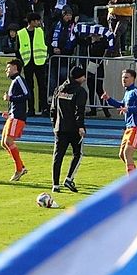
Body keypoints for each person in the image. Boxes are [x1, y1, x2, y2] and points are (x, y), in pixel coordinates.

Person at [49, 65, 88, 193]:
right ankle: (69, 178)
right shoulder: (80, 91)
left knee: (57, 156)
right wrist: (81, 126)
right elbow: (79, 110)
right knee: (78, 154)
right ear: (80, 77)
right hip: (74, 129)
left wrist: (54, 125)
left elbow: (53, 109)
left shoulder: (59, 89)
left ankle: (55, 185)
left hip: (60, 128)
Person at [102, 69, 137, 174]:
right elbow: (121, 105)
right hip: (129, 128)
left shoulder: (135, 91)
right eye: (123, 77)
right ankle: (136, 176)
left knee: (127, 153)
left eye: (126, 77)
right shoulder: (128, 92)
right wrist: (109, 99)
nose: (123, 80)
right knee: (122, 154)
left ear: (133, 78)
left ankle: (133, 182)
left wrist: (129, 109)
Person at [2, 59, 29, 181]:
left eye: (8, 68)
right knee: (4, 143)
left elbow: (27, 95)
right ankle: (21, 166)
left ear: (15, 67)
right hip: (13, 115)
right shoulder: (14, 81)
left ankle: (19, 169)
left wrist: (11, 98)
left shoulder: (19, 80)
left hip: (18, 116)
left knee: (8, 141)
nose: (6, 70)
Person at [17, 12, 49, 116]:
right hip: (27, 63)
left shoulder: (40, 31)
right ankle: (31, 109)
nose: (38, 22)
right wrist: (21, 62)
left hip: (40, 62)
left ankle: (44, 108)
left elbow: (46, 44)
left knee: (42, 86)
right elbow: (18, 49)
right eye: (37, 20)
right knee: (29, 87)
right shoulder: (21, 33)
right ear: (31, 21)